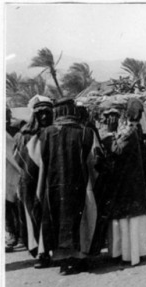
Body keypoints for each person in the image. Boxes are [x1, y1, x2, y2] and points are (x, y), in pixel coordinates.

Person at [37, 98, 101, 275]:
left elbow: (39, 163)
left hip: (54, 188)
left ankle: (64, 262)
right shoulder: (86, 133)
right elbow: (95, 161)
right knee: (81, 220)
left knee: (56, 220)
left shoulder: (46, 134)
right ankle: (80, 259)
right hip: (81, 186)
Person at [97, 106, 146, 265]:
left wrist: (109, 135)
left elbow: (117, 150)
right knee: (121, 220)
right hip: (121, 183)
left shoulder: (129, 131)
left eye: (112, 116)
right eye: (106, 116)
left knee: (130, 220)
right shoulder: (121, 131)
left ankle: (132, 254)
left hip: (129, 184)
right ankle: (122, 253)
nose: (108, 120)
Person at [11, 97, 54, 262]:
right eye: (40, 113)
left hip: (50, 181)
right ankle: (40, 252)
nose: (44, 117)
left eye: (47, 113)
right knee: (32, 215)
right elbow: (18, 160)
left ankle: (49, 249)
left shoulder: (54, 133)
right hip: (29, 183)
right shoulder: (23, 136)